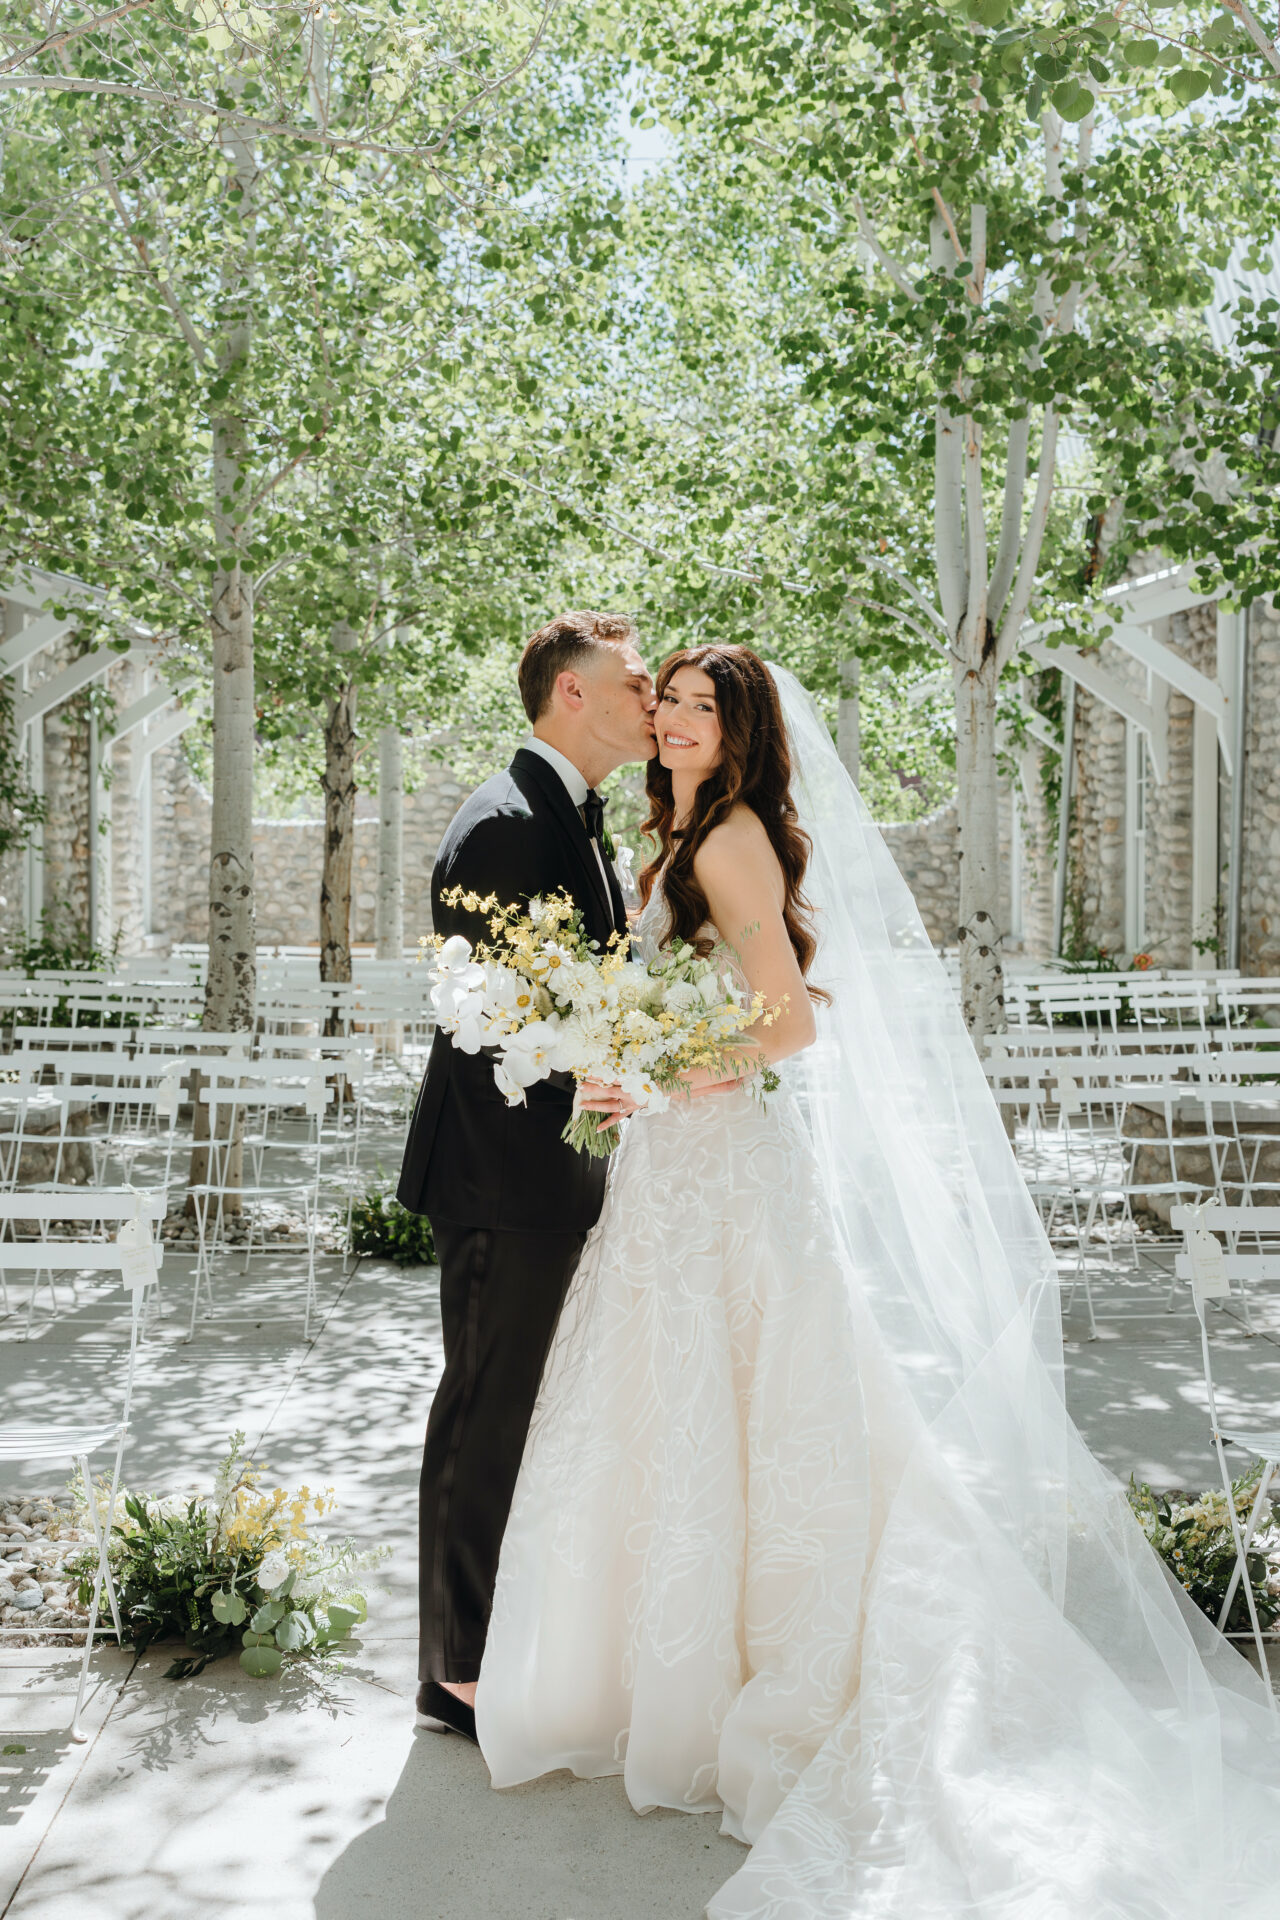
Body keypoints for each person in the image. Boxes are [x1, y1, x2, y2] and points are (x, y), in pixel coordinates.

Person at [475, 643, 1280, 1918]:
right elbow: (698, 1010)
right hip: (669, 1174)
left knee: (759, 1405)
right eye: (666, 699)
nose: (676, 719)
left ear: (739, 734)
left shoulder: (729, 838)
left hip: (731, 1176)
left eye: (700, 706)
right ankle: (652, 1670)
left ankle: (769, 1673)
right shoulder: (666, 843)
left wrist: (672, 1052)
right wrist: (628, 1059)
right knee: (662, 1407)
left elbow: (788, 1020)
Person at [396, 610, 656, 1740]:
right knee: (483, 1409)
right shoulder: (506, 822)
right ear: (571, 696)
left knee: (517, 1407)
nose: (652, 698)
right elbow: (490, 1022)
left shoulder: (570, 816)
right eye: (633, 681)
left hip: (546, 1171)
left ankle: (495, 1637)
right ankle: (454, 1669)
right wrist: (588, 1090)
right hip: (503, 1174)